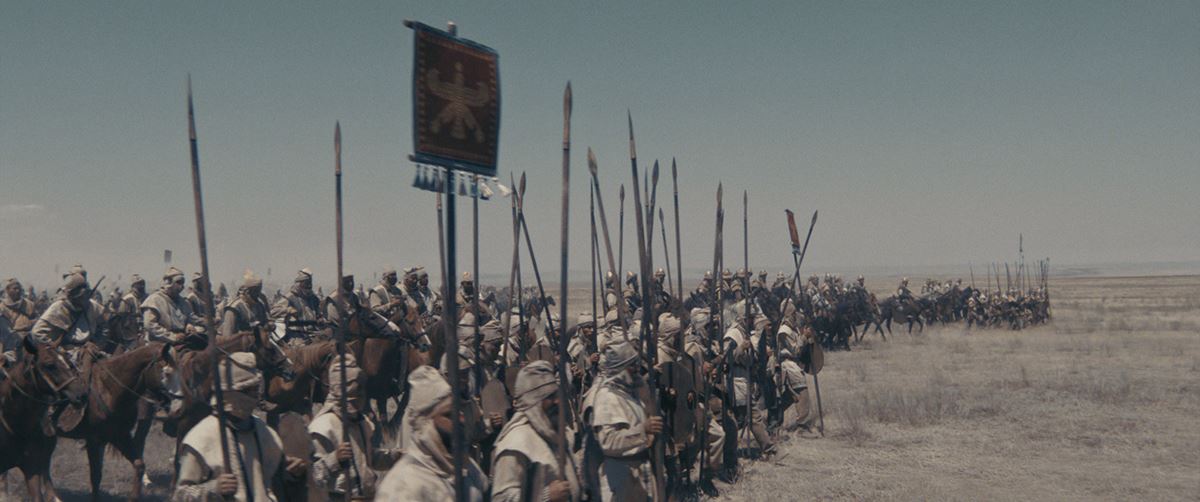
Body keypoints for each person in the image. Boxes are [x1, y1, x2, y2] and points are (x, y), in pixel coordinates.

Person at [173, 352, 307, 501]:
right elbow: (181, 495)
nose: (254, 396)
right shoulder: (201, 437)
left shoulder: (264, 431)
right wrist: (213, 488)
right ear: (229, 393)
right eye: (247, 391)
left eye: (256, 389)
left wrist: (293, 473)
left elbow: (275, 482)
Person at [374, 366, 488, 501]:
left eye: (459, 411)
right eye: (448, 415)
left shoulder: (470, 469)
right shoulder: (404, 485)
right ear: (426, 423)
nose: (461, 419)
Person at [308, 353, 401, 499]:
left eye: (361, 391)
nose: (361, 397)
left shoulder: (361, 422)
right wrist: (335, 459)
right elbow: (314, 476)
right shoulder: (323, 427)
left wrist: (395, 456)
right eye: (355, 392)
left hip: (367, 496)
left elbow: (370, 459)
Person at [490, 360, 580, 502]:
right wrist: (545, 496)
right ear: (534, 401)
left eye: (556, 395)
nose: (557, 401)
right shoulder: (516, 443)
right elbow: (502, 498)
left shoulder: (556, 433)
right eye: (549, 397)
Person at [31, 273, 110, 432]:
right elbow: (37, 333)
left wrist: (97, 343)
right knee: (64, 377)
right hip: (64, 351)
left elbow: (104, 326)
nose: (85, 298)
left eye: (86, 294)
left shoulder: (93, 306)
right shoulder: (58, 308)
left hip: (90, 348)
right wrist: (55, 349)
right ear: (73, 295)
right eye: (81, 295)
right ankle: (56, 410)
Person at [585, 341, 662, 502]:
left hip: (642, 469)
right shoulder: (606, 397)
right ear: (619, 369)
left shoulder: (631, 391)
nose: (637, 369)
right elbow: (608, 442)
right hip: (621, 475)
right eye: (631, 366)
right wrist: (642, 430)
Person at [141, 267, 205, 346]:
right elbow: (150, 325)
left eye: (182, 283)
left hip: (182, 339)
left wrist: (189, 325)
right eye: (178, 282)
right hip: (160, 343)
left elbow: (190, 318)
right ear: (169, 283)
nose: (181, 286)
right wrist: (173, 337)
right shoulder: (154, 300)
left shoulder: (183, 302)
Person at [271, 268, 327, 346]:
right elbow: (273, 311)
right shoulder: (290, 297)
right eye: (306, 283)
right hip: (296, 336)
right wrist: (288, 310)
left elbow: (318, 314)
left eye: (309, 283)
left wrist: (320, 319)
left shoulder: (314, 298)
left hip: (313, 333)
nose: (309, 286)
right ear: (299, 284)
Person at [220, 272, 271, 339]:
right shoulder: (234, 308)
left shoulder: (260, 305)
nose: (258, 295)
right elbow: (227, 337)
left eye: (259, 291)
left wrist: (268, 326)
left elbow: (265, 322)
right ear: (246, 292)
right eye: (255, 291)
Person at [1, 278, 37, 363]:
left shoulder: (29, 304)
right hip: (11, 340)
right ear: (7, 290)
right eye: (14, 288)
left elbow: (35, 318)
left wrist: (31, 323)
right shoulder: (2, 307)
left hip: (29, 338)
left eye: (19, 289)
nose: (17, 291)